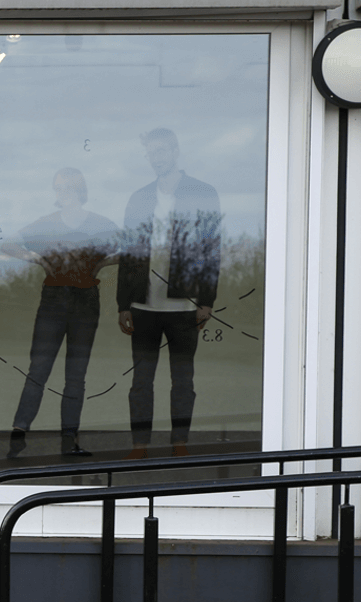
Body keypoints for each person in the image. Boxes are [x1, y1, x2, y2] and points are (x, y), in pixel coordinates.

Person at [116, 128, 222, 459]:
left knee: (183, 381)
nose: (155, 158)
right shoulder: (139, 198)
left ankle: (180, 442)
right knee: (141, 381)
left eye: (161, 151)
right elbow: (129, 252)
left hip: (184, 306)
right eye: (151, 153)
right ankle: (140, 445)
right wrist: (123, 304)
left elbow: (211, 250)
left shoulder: (203, 193)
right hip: (144, 307)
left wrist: (207, 300)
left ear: (175, 151)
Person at [2, 167, 119, 458]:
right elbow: (8, 243)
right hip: (53, 300)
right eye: (58, 187)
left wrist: (103, 263)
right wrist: (35, 258)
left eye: (67, 187)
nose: (62, 193)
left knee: (76, 376)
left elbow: (134, 248)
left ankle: (69, 440)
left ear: (80, 189)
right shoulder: (46, 223)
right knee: (38, 369)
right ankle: (19, 433)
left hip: (86, 301)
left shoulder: (101, 224)